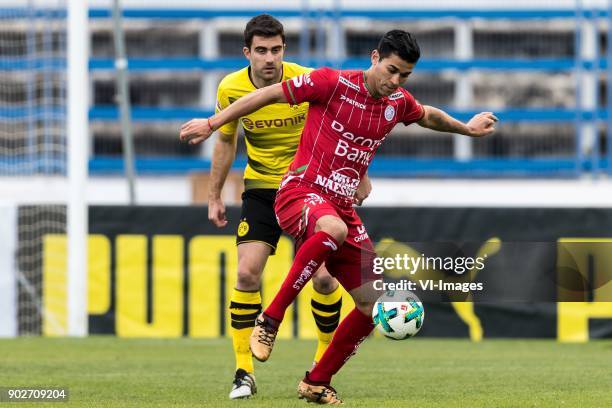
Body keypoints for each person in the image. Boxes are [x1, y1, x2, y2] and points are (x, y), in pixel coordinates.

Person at [181, 29, 497, 404]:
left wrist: (467, 129)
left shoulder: (397, 102)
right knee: (329, 229)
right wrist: (213, 123)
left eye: (405, 76)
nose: (395, 81)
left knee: (373, 303)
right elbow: (267, 94)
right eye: (392, 70)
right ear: (375, 57)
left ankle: (316, 380)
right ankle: (270, 319)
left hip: (341, 205)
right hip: (300, 191)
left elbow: (428, 115)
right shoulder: (331, 82)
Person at [202, 14, 368, 400]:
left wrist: (357, 174)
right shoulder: (230, 88)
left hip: (311, 187)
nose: (269, 58)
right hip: (261, 188)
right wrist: (214, 195)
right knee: (246, 273)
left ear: (284, 50)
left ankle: (321, 364)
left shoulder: (305, 78)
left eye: (276, 49)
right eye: (261, 50)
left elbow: (344, 126)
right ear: (247, 53)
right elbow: (226, 142)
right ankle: (243, 371)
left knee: (326, 280)